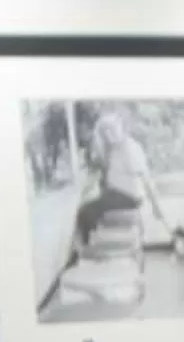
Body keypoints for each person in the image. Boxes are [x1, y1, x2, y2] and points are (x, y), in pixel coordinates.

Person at [62, 112, 167, 267]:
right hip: (115, 194)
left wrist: (157, 207)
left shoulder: (130, 148)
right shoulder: (113, 148)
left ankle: (86, 252)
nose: (109, 135)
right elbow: (100, 171)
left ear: (121, 128)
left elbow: (146, 179)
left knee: (86, 211)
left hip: (128, 196)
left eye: (112, 130)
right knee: (88, 207)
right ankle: (87, 249)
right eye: (105, 132)